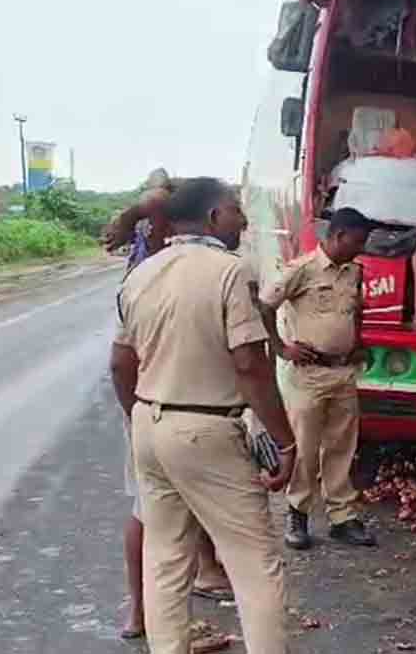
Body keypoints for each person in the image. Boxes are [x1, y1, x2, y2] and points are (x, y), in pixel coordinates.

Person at [109, 177, 296, 654]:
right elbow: (251, 365)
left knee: (166, 557)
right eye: (236, 210)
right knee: (254, 561)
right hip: (206, 427)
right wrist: (286, 442)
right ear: (214, 217)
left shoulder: (142, 274)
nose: (243, 219)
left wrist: (143, 419)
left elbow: (120, 362)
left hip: (150, 424)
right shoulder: (230, 272)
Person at [108, 172, 233, 640]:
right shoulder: (159, 255)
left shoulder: (154, 259)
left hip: (155, 397)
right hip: (156, 397)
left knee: (173, 505)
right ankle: (146, 615)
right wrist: (135, 212)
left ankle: (196, 577)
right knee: (152, 513)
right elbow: (122, 362)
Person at [255, 207, 378, 550]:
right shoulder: (302, 270)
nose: (360, 248)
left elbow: (358, 310)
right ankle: (298, 513)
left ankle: (342, 516)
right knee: (305, 448)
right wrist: (282, 348)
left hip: (343, 372)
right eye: (356, 241)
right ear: (338, 236)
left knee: (342, 446)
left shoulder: (354, 271)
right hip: (307, 375)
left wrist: (358, 342)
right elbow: (264, 306)